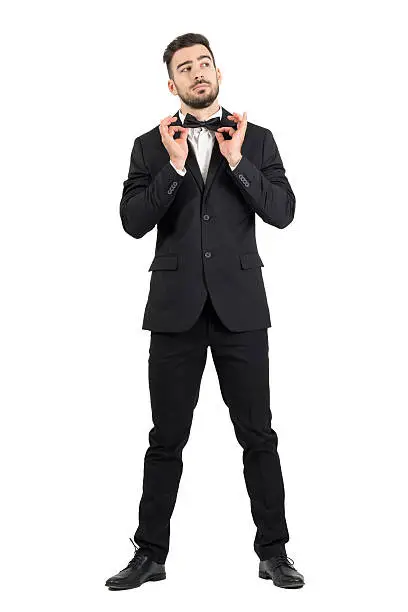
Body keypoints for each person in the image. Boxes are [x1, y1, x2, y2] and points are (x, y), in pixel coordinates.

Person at [105, 32, 304, 591]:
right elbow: (132, 221)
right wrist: (171, 167)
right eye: (185, 67)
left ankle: (275, 551)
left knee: (258, 435)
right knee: (165, 437)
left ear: (218, 74)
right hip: (175, 312)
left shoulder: (257, 140)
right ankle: (150, 554)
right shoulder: (149, 144)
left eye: (205, 64)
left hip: (242, 309)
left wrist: (239, 162)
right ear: (172, 83)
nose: (198, 73)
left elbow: (284, 212)